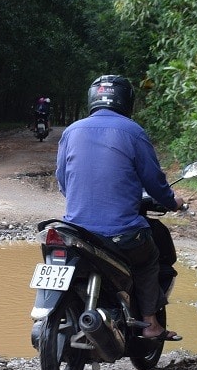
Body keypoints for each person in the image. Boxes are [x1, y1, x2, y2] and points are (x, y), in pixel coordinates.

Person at [55, 75, 184, 342]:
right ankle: (149, 323)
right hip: (121, 234)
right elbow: (154, 182)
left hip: (76, 231)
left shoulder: (72, 131)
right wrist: (173, 202)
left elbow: (63, 180)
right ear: (126, 101)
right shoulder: (133, 131)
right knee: (149, 260)